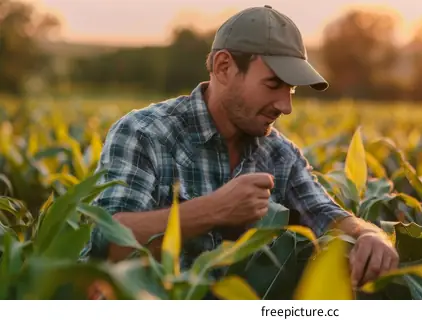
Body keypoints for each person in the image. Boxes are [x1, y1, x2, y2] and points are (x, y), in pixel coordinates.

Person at [81, 5, 398, 297]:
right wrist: (216, 209)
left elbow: (326, 215)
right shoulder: (145, 134)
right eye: (273, 85)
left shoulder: (279, 154)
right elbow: (107, 243)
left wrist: (370, 235)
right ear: (223, 67)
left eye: (291, 90)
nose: (285, 106)